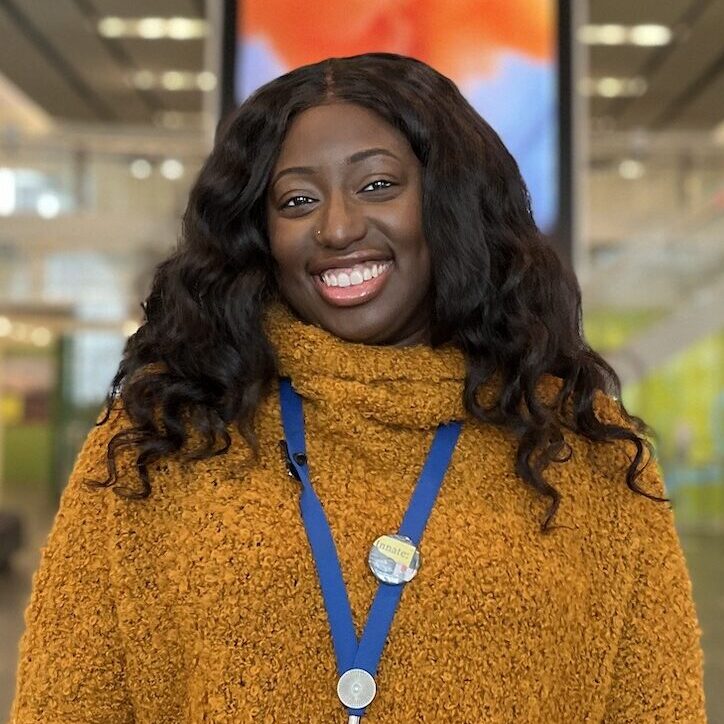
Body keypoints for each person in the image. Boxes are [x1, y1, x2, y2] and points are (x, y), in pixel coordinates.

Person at [10, 52, 706, 723]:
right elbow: (67, 702)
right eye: (298, 199)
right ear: (260, 232)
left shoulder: (584, 447)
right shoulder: (162, 438)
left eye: (377, 185)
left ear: (452, 204)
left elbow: (657, 706)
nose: (337, 227)